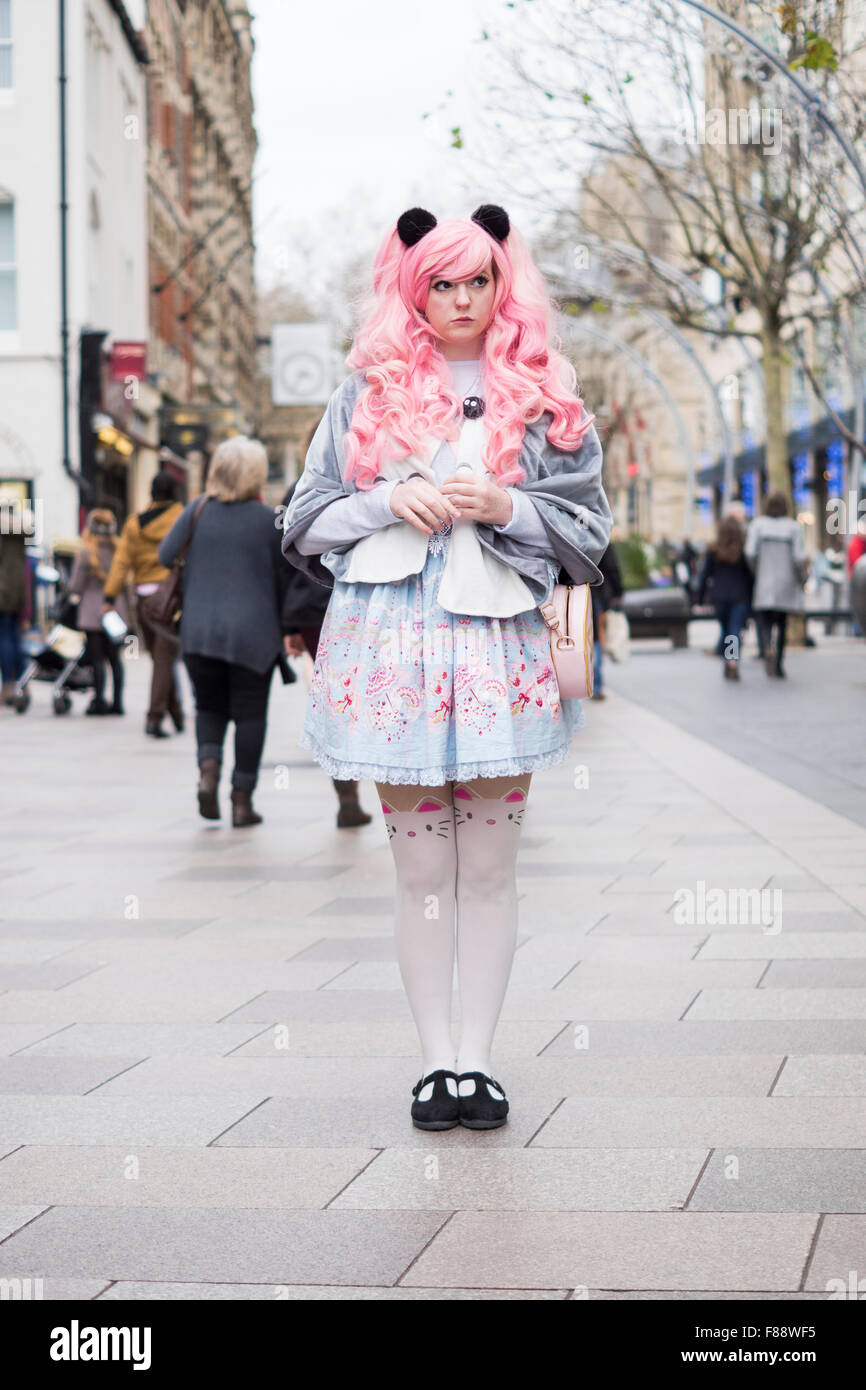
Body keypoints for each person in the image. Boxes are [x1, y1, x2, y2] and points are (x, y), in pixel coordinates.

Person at [282, 203, 612, 1131]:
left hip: (499, 650)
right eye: (443, 283)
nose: (461, 300)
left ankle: (479, 1062)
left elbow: (591, 531)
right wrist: (390, 500)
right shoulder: (364, 391)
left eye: (478, 281)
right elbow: (303, 518)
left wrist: (507, 503)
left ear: (503, 283)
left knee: (491, 872)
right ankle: (435, 1067)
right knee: (421, 874)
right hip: (392, 655)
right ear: (413, 286)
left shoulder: (547, 391)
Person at [159, 436, 295, 827]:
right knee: (251, 717)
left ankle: (208, 773)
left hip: (199, 634)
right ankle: (241, 801)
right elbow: (287, 577)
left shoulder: (196, 511)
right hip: (255, 636)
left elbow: (166, 555)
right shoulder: (270, 520)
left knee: (209, 708)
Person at [282, 458, 373, 829]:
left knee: (337, 699)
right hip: (357, 602)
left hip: (311, 606)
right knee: (360, 695)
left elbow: (286, 557)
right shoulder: (369, 478)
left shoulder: (302, 490)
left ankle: (347, 795)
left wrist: (287, 622)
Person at [103, 471, 184, 737]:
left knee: (161, 658)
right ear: (174, 493)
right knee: (164, 659)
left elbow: (121, 563)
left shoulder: (134, 523)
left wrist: (109, 597)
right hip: (170, 598)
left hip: (144, 600)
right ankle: (155, 717)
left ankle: (176, 711)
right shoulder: (181, 518)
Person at [68, 508, 128, 714]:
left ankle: (99, 700)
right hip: (115, 610)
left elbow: (75, 585)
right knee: (115, 659)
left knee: (97, 659)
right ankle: (118, 703)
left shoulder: (86, 552)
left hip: (92, 611)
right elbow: (127, 582)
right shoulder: (120, 550)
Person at [744, 491, 807, 679]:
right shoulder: (793, 527)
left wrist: (756, 572)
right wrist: (800, 578)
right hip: (786, 582)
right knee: (782, 624)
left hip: (764, 580)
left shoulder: (758, 525)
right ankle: (778, 662)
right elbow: (799, 557)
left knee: (764, 623)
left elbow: (749, 552)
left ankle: (767, 650)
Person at [695, 514, 753, 681]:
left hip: (719, 597)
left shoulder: (714, 549)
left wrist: (699, 599)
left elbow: (705, 575)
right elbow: (749, 576)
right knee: (734, 631)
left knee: (728, 630)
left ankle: (728, 659)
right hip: (739, 596)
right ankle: (732, 661)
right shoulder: (741, 550)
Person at [590, 541, 624, 700]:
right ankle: (595, 686)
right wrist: (618, 592)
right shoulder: (600, 539)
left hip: (572, 593)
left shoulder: (570, 533)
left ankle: (582, 683)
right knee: (596, 638)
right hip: (596, 594)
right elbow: (612, 569)